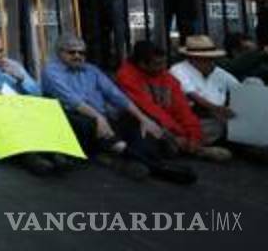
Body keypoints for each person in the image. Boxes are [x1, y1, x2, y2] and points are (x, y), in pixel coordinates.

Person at [42, 33, 195, 183]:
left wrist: (142, 118)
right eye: (71, 52)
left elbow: (115, 95)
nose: (77, 56)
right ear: (60, 53)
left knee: (141, 120)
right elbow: (72, 101)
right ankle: (154, 166)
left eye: (81, 52)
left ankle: (134, 157)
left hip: (102, 118)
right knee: (87, 123)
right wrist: (98, 118)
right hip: (74, 119)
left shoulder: (91, 70)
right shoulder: (51, 71)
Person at [0, 33, 67, 176]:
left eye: (0, 51)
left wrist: (21, 78)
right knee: (10, 118)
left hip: (21, 107)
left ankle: (54, 152)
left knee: (47, 105)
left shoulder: (13, 65)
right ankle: (31, 157)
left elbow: (37, 94)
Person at [116, 40, 231, 162]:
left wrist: (193, 135)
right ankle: (196, 150)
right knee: (148, 128)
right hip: (144, 121)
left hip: (173, 126)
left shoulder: (167, 77)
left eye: (164, 63)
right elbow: (150, 109)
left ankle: (186, 146)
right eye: (157, 64)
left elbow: (182, 109)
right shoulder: (126, 75)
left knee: (214, 126)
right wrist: (178, 133)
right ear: (142, 64)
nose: (163, 67)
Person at [169, 35, 242, 146]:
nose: (209, 62)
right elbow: (192, 95)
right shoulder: (178, 70)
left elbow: (239, 88)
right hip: (194, 118)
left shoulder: (219, 73)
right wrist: (217, 109)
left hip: (219, 119)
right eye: (204, 59)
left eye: (210, 59)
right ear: (192, 58)